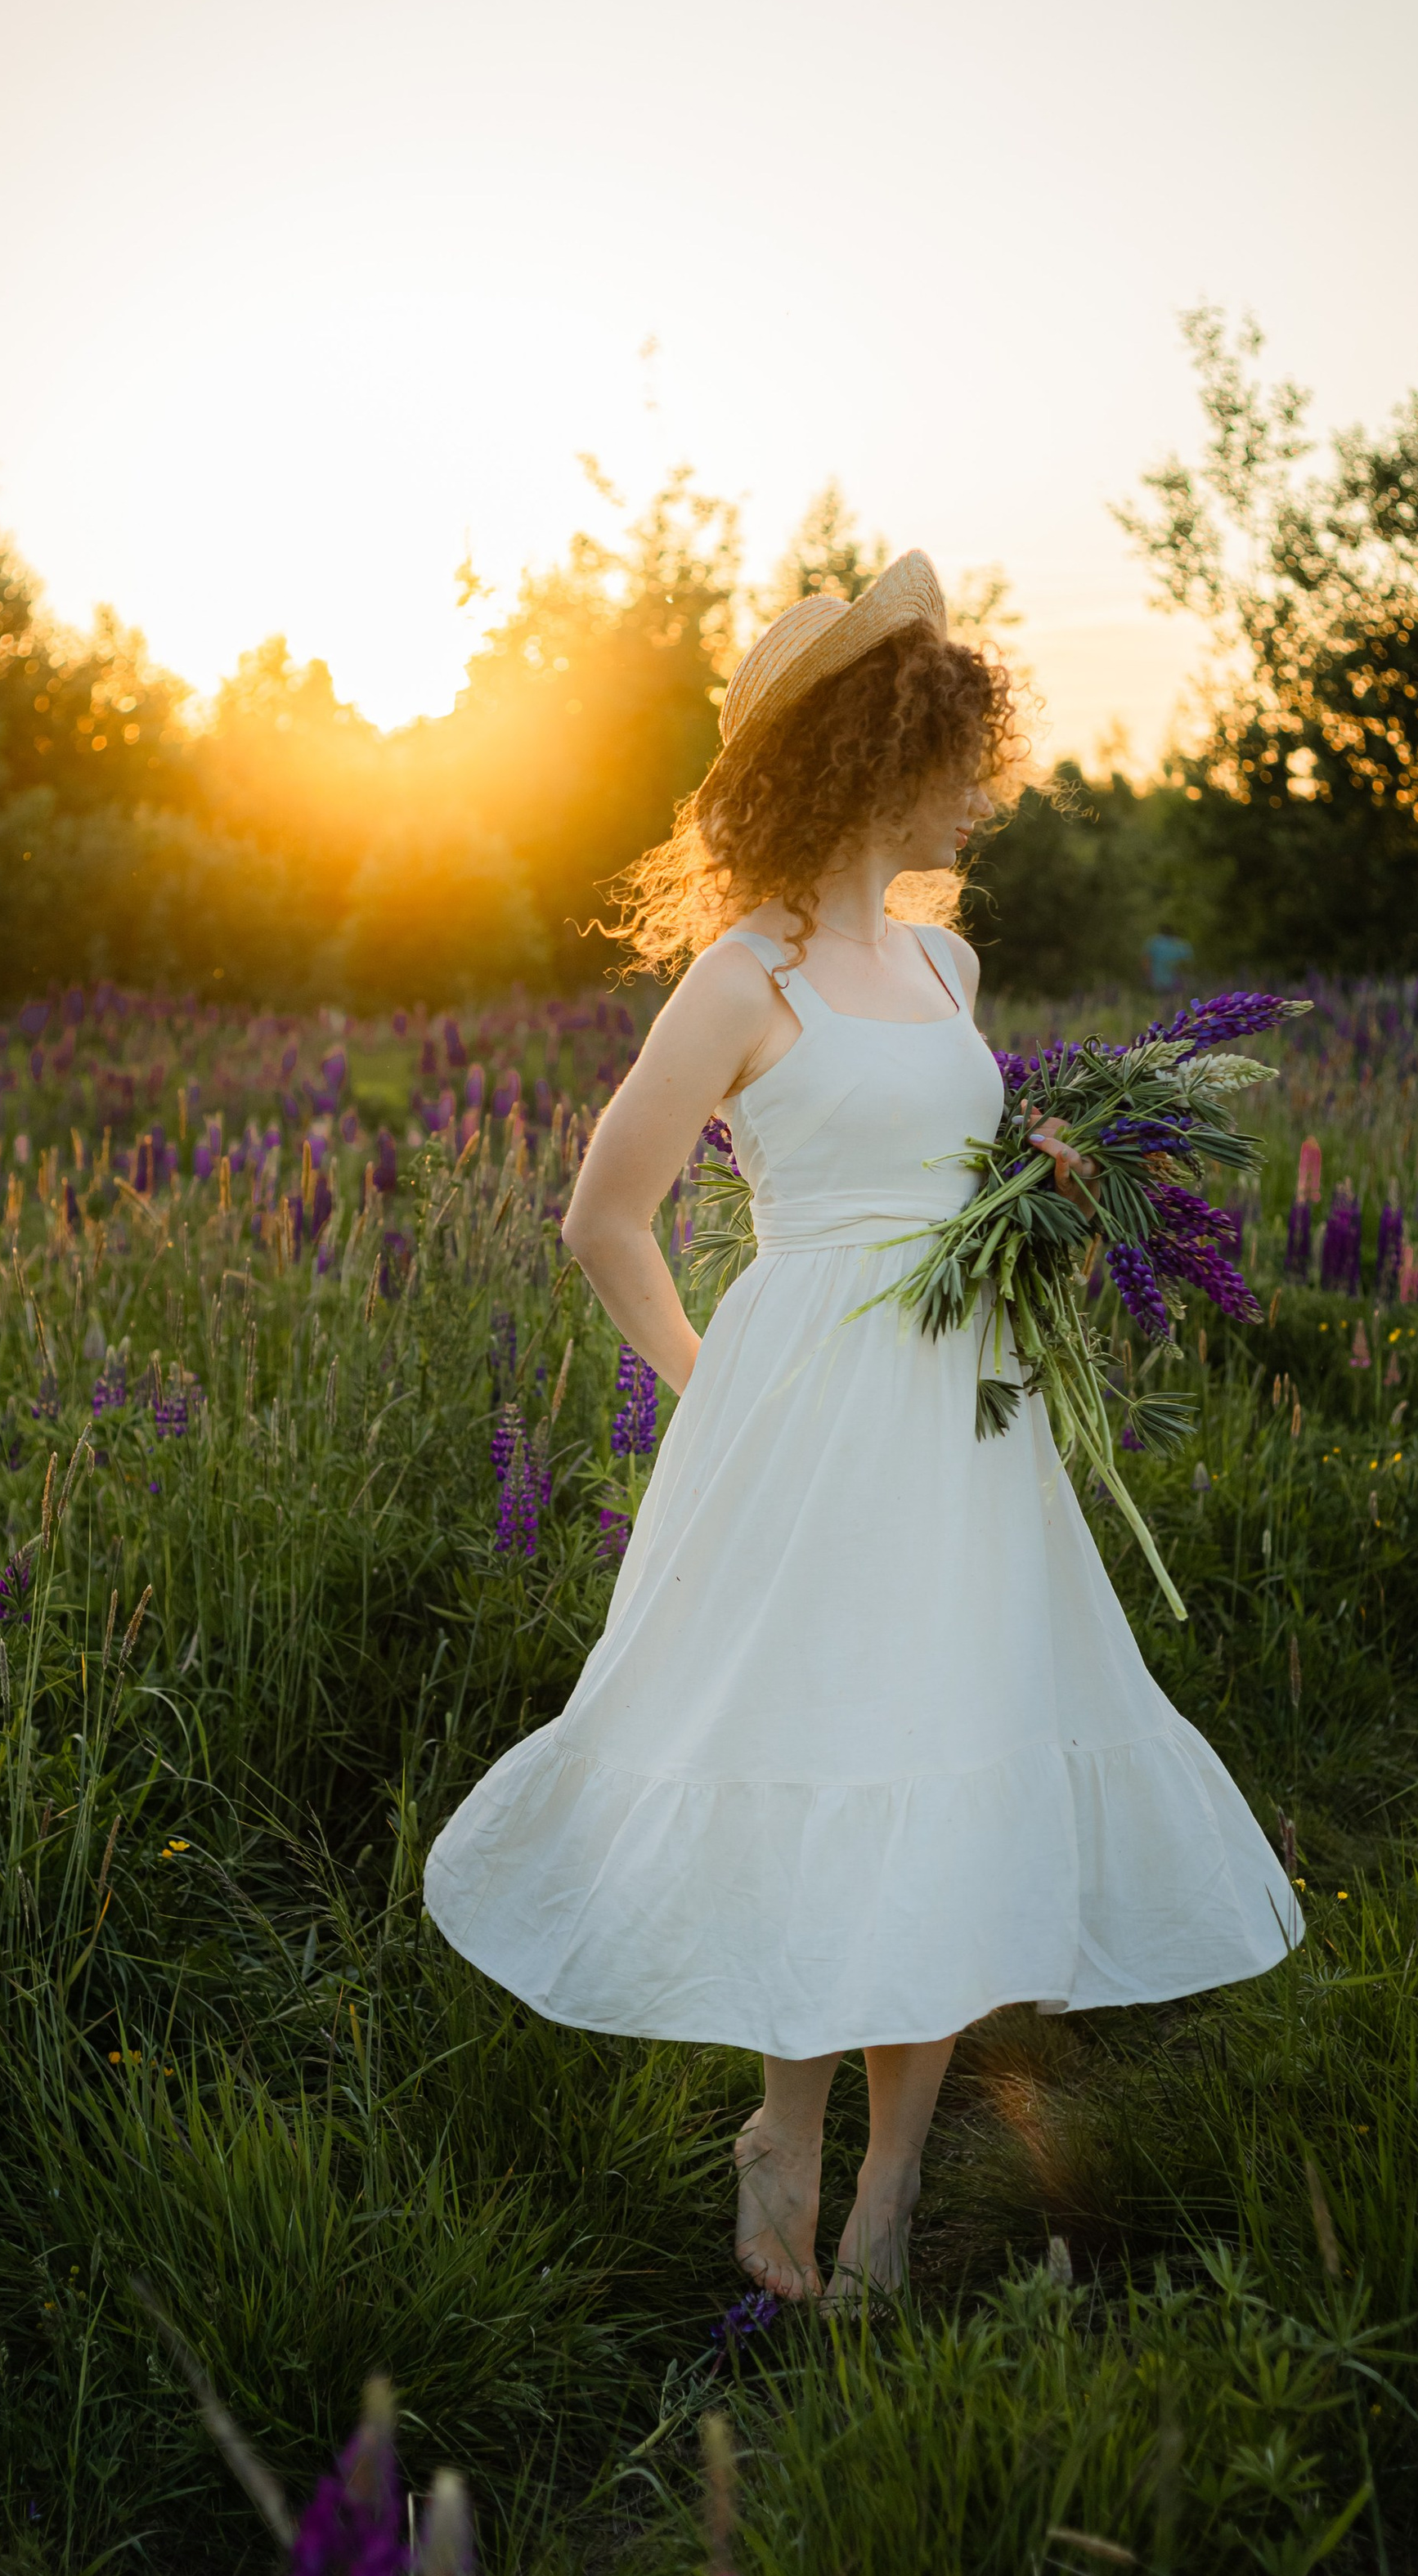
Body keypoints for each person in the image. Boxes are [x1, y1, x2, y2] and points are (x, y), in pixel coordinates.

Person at [423, 554, 1299, 2304]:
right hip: (809, 1420)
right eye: (961, 750)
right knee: (819, 1747)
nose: (987, 786)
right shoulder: (746, 975)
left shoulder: (946, 963)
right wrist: (718, 1390)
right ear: (875, 755)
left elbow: (946, 1172)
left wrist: (1042, 1190)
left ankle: (892, 2180)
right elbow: (607, 1214)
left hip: (967, 1420)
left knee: (943, 1749)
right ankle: (782, 2131)